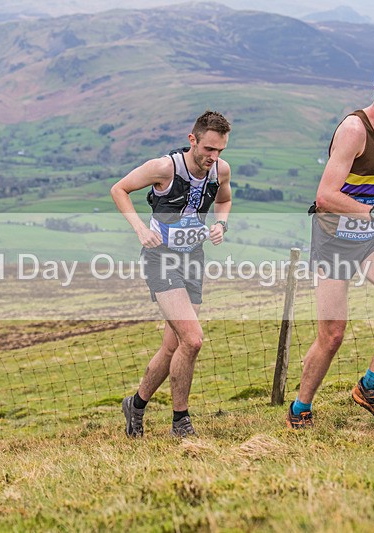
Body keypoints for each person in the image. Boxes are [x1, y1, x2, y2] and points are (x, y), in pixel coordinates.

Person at [286, 60, 374, 429]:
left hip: (369, 234)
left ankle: (369, 386)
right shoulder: (353, 130)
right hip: (333, 237)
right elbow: (325, 196)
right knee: (331, 335)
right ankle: (300, 409)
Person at [111, 110, 232, 438]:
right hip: (160, 258)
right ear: (192, 140)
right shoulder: (165, 168)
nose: (213, 157)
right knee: (192, 340)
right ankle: (181, 421)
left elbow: (225, 199)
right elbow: (119, 189)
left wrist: (220, 224)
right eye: (208, 149)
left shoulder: (220, 170)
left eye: (220, 150)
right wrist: (139, 229)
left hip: (193, 259)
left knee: (172, 346)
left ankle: (135, 404)